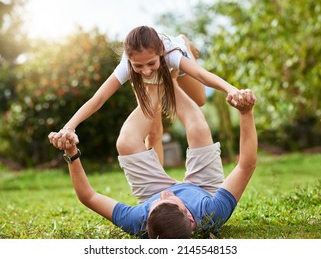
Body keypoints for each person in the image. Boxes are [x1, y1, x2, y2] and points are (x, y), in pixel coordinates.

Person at [48, 81, 257, 239]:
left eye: (157, 204)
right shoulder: (212, 212)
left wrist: (72, 153)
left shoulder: (138, 220)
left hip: (151, 194)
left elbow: (88, 197)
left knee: (126, 143)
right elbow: (245, 165)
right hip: (204, 190)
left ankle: (157, 86)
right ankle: (170, 79)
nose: (166, 193)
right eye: (170, 200)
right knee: (198, 129)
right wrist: (246, 113)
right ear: (191, 218)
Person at [54, 26, 240, 165]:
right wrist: (69, 126)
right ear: (130, 60)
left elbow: (202, 75)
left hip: (174, 63)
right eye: (138, 65)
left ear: (159, 54)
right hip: (144, 84)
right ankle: (158, 187)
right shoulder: (128, 65)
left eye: (150, 63)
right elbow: (99, 99)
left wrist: (231, 89)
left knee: (199, 100)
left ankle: (180, 50)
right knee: (152, 130)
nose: (146, 70)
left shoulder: (171, 53)